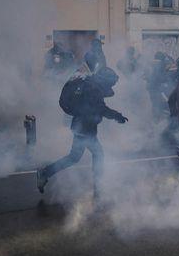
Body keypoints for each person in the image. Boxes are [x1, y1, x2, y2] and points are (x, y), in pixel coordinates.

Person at [37, 67, 128, 196]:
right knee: (96, 154)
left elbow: (97, 108)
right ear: (105, 80)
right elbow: (101, 109)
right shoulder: (93, 89)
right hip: (84, 127)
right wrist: (117, 116)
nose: (111, 85)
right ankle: (98, 184)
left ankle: (45, 173)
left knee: (75, 157)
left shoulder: (90, 85)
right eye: (111, 82)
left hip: (82, 126)